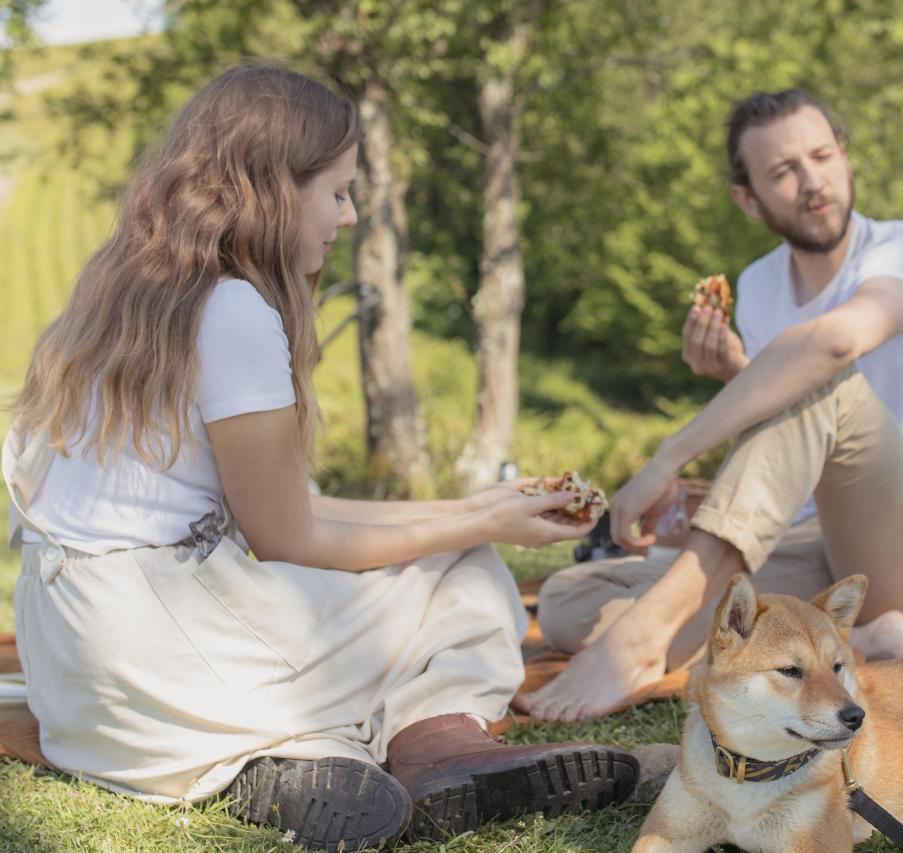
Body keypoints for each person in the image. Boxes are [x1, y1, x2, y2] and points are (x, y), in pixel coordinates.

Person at [2, 65, 637, 851]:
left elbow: (283, 509)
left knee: (458, 545)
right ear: (271, 191)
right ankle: (441, 743)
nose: (350, 214)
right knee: (471, 573)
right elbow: (291, 537)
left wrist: (482, 507)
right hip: (160, 643)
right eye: (336, 192)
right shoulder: (230, 308)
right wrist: (477, 532)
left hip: (79, 673)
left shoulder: (126, 290)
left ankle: (298, 760)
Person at [515, 89, 903, 723]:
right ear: (749, 199)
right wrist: (739, 377)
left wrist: (670, 458)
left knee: (819, 375)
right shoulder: (759, 284)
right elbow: (796, 439)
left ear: (845, 159)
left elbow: (833, 346)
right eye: (783, 171)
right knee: (569, 600)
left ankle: (641, 642)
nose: (812, 182)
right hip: (816, 543)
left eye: (822, 156)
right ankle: (868, 643)